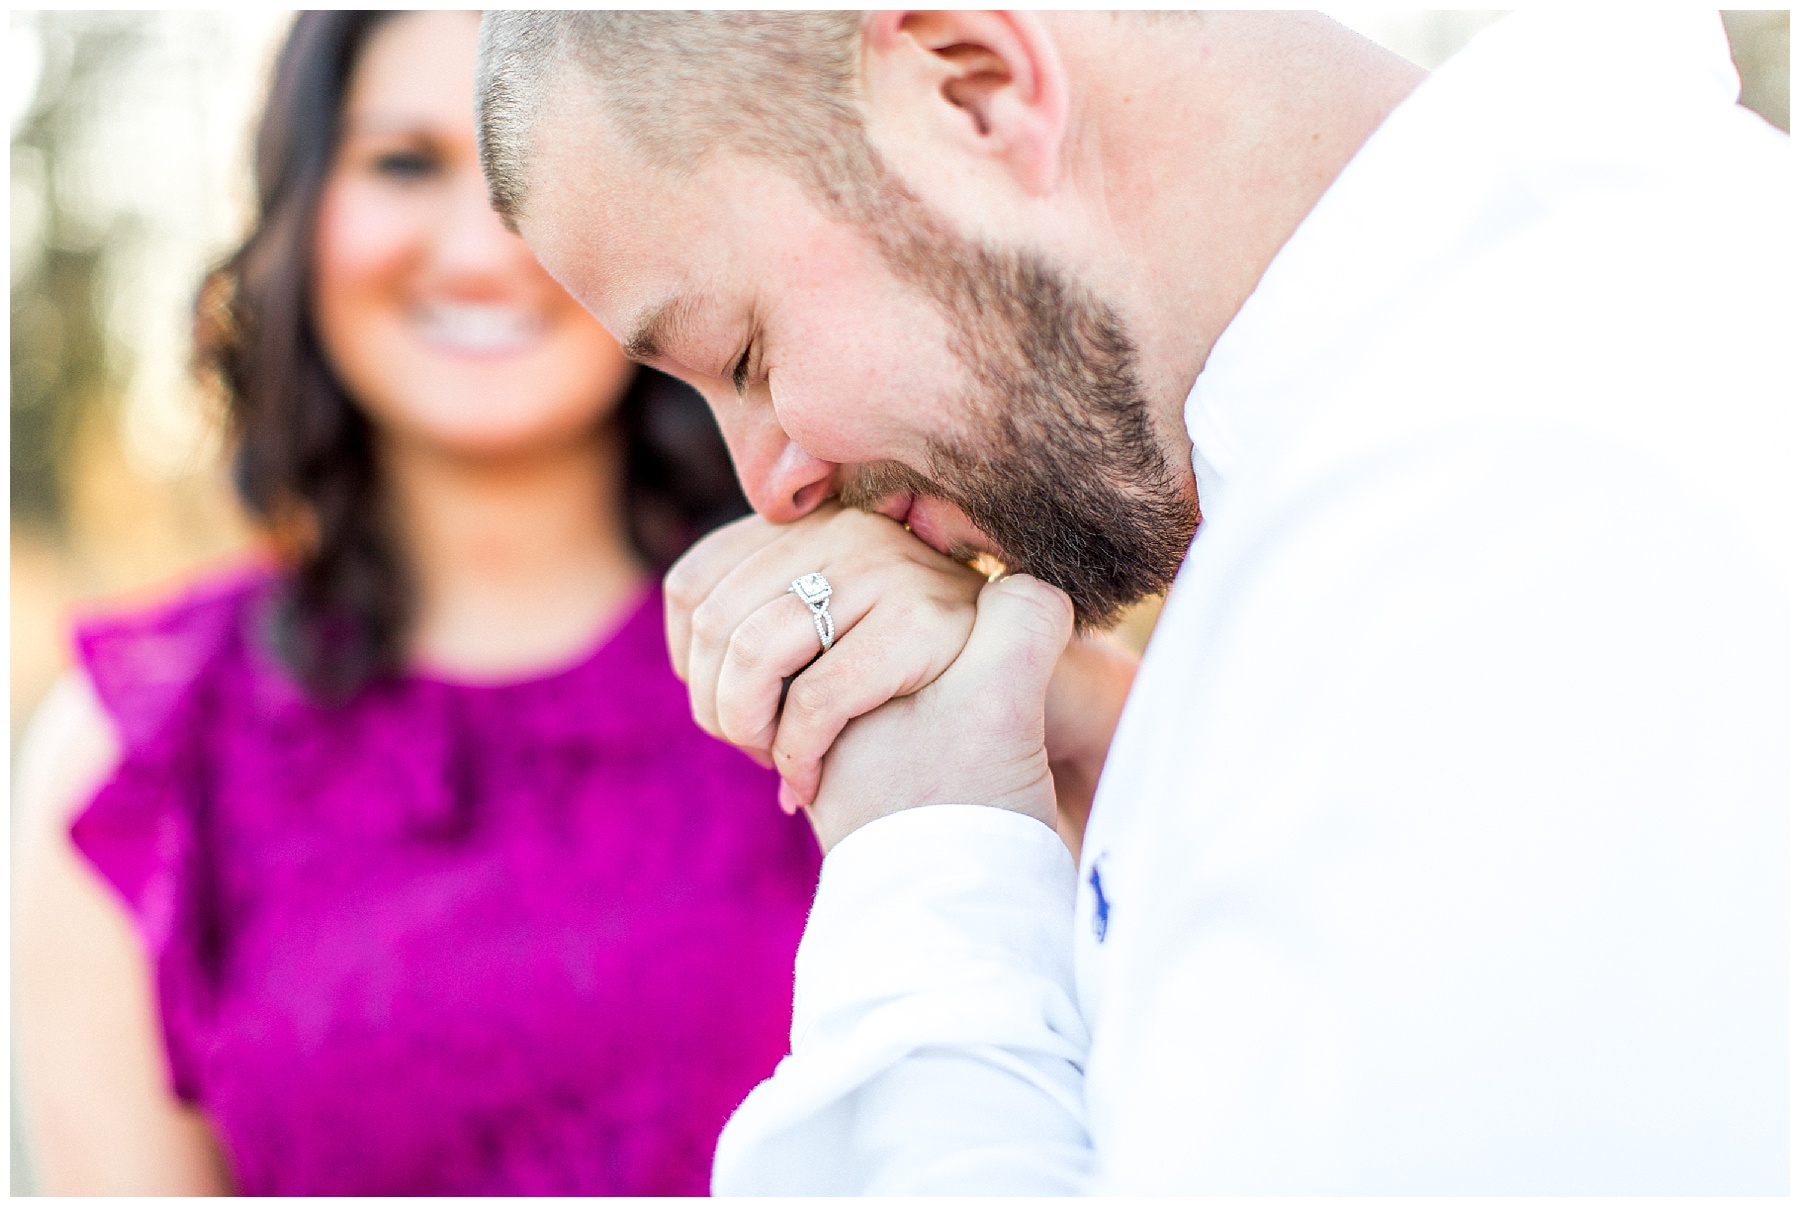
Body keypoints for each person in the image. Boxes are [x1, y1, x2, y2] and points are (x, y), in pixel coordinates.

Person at [475, 8, 1792, 1195]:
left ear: (972, 88)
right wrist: (1135, 774)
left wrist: (927, 854)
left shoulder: (1532, 486)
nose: (772, 487)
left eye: (750, 354)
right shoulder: (1502, 401)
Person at [11, 11, 828, 1195]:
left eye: (528, 164)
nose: (481, 244)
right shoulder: (129, 761)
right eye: (404, 163)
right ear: (302, 212)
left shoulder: (836, 641)